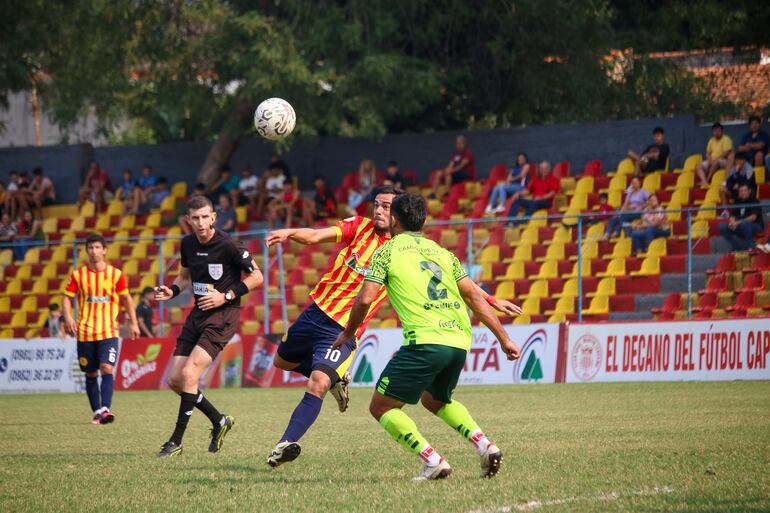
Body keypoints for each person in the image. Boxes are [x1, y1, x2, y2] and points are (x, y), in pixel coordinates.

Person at [262, 185, 519, 468]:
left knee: (320, 383)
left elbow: (372, 298)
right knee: (281, 362)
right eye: (376, 204)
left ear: (397, 214)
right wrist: (289, 233)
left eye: (386, 206)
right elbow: (314, 236)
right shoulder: (360, 228)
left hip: (345, 329)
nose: (379, 211)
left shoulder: (392, 251)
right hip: (315, 313)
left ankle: (285, 442)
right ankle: (336, 377)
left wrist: (491, 299)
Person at [330, 192, 521, 480]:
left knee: (381, 407)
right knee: (435, 400)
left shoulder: (387, 251)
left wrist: (348, 331)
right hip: (458, 340)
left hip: (425, 341)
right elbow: (473, 297)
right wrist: (504, 339)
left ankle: (432, 461)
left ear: (394, 219)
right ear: (425, 221)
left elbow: (365, 299)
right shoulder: (444, 253)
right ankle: (485, 446)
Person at [154, 196, 263, 457]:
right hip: (198, 314)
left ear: (213, 217)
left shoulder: (229, 245)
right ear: (188, 220)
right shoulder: (188, 244)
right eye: (196, 218)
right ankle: (219, 420)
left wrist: (225, 296)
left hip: (223, 316)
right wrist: (172, 291)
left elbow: (257, 276)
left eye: (205, 217)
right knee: (175, 380)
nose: (201, 223)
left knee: (190, 375)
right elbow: (184, 277)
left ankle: (175, 442)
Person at [62, 233, 140, 425]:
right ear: (87, 251)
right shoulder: (78, 275)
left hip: (108, 332)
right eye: (90, 248)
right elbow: (66, 297)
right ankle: (97, 411)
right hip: (85, 332)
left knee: (106, 367)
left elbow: (126, 298)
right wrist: (68, 316)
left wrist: (133, 322)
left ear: (104, 250)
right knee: (90, 373)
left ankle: (105, 408)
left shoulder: (115, 275)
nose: (94, 251)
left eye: (98, 247)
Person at [505, 161, 560, 225]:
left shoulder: (553, 179)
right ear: (539, 169)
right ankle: (510, 221)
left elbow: (552, 193)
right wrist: (518, 193)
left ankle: (522, 222)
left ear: (549, 169)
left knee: (535, 202)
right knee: (517, 200)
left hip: (545, 202)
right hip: (534, 201)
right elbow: (528, 190)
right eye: (541, 168)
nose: (543, 170)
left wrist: (541, 197)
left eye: (545, 168)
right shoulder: (535, 179)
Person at [717, 184, 764, 252]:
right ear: (739, 192)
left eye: (745, 191)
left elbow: (753, 217)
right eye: (741, 191)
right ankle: (736, 247)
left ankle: (750, 246)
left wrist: (737, 222)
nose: (743, 192)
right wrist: (732, 223)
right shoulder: (737, 201)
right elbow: (733, 215)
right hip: (740, 225)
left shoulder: (754, 200)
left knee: (745, 223)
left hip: (756, 226)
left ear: (749, 191)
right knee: (721, 226)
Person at [602, 175, 649, 240]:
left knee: (624, 216)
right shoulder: (630, 193)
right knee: (613, 219)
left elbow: (649, 202)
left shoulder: (643, 191)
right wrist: (620, 212)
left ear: (640, 183)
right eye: (633, 183)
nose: (634, 184)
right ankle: (607, 235)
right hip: (629, 212)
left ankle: (617, 232)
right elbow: (625, 204)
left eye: (636, 183)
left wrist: (641, 207)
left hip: (638, 212)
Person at [696, 123, 734, 188]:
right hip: (712, 160)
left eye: (718, 131)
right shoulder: (711, 140)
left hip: (724, 161)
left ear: (722, 131)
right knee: (698, 166)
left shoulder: (726, 139)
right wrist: (709, 160)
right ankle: (704, 181)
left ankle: (707, 180)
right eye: (715, 131)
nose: (716, 133)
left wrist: (716, 159)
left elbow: (727, 152)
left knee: (716, 162)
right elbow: (708, 153)